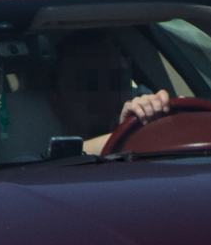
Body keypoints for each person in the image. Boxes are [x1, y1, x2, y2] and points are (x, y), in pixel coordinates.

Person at [45, 28, 182, 153]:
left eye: (115, 79)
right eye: (91, 82)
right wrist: (125, 134)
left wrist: (165, 113)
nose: (106, 92)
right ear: (57, 101)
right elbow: (62, 159)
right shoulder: (31, 164)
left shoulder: (136, 99)